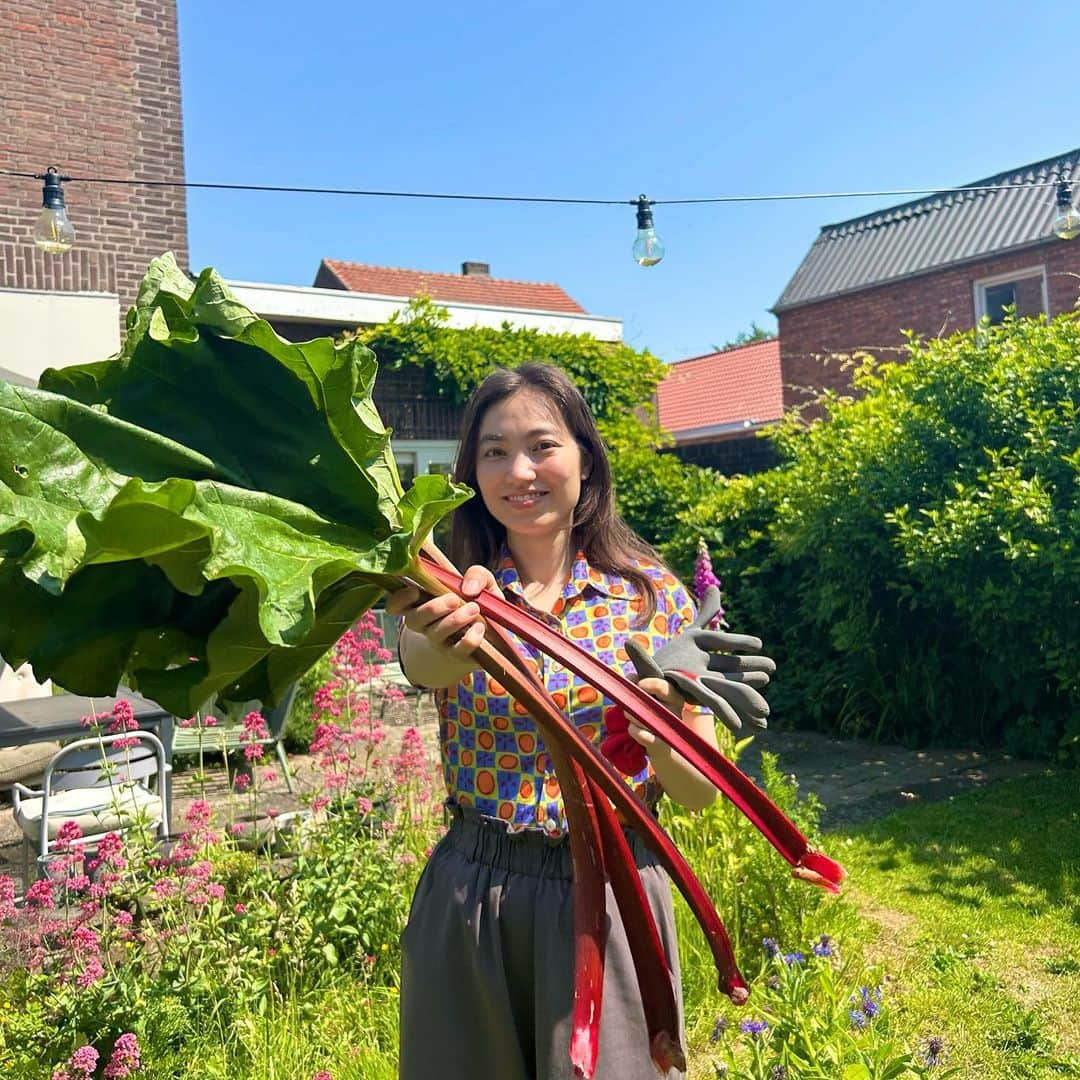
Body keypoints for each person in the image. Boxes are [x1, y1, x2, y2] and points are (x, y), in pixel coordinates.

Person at [386, 362, 721, 1080]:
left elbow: (698, 791)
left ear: (584, 456)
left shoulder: (650, 596)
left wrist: (664, 736)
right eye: (494, 451)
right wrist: (449, 634)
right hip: (477, 890)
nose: (520, 470)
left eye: (542, 445)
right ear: (472, 471)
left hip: (615, 892)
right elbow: (426, 660)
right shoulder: (455, 589)